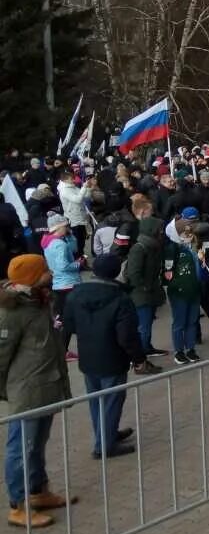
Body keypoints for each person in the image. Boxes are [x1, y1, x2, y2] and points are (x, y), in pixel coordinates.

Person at [60, 255, 160, 461]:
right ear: (116, 272)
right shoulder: (121, 298)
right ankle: (104, 445)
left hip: (88, 356)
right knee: (112, 401)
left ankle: (106, 434)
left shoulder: (76, 294)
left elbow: (68, 326)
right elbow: (127, 336)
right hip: (113, 358)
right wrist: (139, 358)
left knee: (96, 401)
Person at [0, 255, 73, 529]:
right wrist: (8, 391)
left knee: (37, 444)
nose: (50, 273)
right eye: (44, 271)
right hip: (27, 391)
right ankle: (17, 506)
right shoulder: (12, 311)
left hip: (46, 386)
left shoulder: (39, 299)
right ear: (32, 277)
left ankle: (38, 491)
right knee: (22, 448)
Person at [163, 219, 203, 365]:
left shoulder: (193, 247)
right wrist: (176, 286)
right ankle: (179, 351)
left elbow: (199, 269)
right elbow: (167, 273)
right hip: (179, 293)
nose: (190, 234)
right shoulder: (172, 250)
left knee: (192, 321)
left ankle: (190, 348)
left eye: (190, 232)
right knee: (179, 323)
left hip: (194, 290)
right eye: (186, 232)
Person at [126, 217, 167, 357]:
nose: (162, 232)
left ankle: (146, 348)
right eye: (159, 229)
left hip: (149, 292)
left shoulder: (153, 246)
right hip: (141, 294)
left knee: (147, 324)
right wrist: (144, 286)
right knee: (144, 326)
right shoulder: (139, 248)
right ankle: (141, 356)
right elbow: (133, 273)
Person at [40, 214, 81, 343]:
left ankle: (62, 348)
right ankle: (64, 347)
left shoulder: (47, 241)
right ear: (59, 227)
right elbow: (63, 265)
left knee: (62, 317)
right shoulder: (60, 245)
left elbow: (73, 248)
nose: (68, 228)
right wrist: (79, 263)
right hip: (69, 283)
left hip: (58, 283)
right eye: (66, 226)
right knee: (71, 317)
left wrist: (70, 235)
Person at [54, 171, 93, 259]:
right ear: (65, 179)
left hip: (80, 217)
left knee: (82, 239)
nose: (74, 179)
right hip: (73, 219)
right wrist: (84, 187)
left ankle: (81, 257)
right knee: (77, 241)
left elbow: (86, 196)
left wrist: (88, 188)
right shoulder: (64, 190)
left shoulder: (73, 187)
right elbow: (77, 199)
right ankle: (78, 259)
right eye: (71, 178)